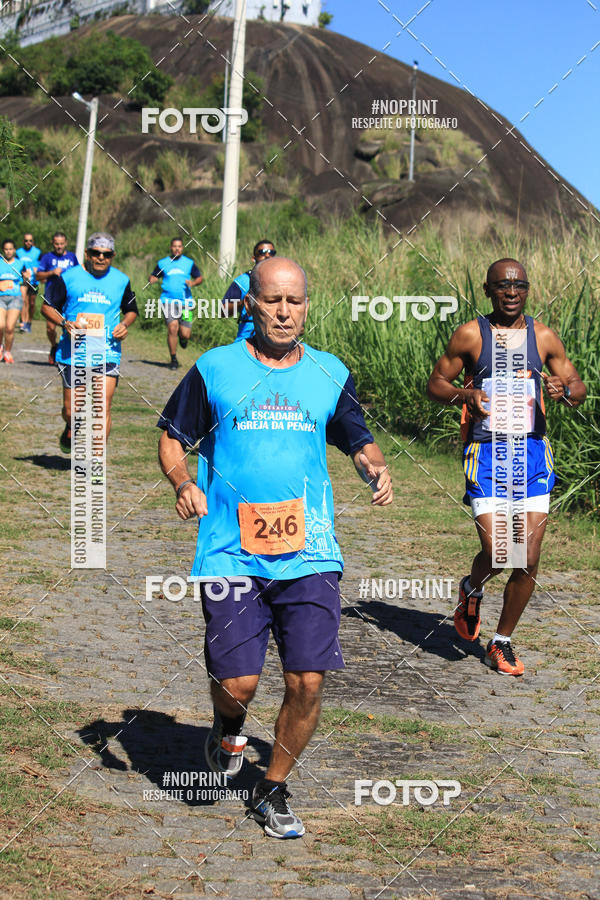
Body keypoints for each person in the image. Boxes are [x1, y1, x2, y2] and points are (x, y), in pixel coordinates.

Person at [158, 256, 392, 838]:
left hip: (310, 549)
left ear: (307, 305)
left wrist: (374, 469)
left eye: (295, 301)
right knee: (238, 683)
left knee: (307, 679)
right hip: (231, 550)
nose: (284, 312)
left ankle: (273, 788)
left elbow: (358, 439)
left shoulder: (329, 372)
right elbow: (171, 436)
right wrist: (184, 482)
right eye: (273, 301)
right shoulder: (214, 369)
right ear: (250, 305)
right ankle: (225, 723)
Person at [427, 258, 586, 676]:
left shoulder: (543, 336)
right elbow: (435, 384)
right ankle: (471, 588)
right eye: (502, 286)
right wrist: (466, 395)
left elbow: (577, 386)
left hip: (532, 453)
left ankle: (501, 642)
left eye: (518, 286)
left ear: (528, 289)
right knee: (499, 551)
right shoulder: (470, 334)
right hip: (489, 454)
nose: (511, 293)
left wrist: (563, 389)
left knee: (528, 557)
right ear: (487, 290)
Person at [41, 232, 138, 452]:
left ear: (112, 255)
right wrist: (65, 322)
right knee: (71, 411)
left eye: (106, 254)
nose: (101, 257)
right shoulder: (68, 277)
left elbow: (131, 310)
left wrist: (124, 325)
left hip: (107, 351)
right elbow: (46, 307)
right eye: (96, 253)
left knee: (102, 406)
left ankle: (95, 460)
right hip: (73, 352)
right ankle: (70, 425)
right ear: (87, 253)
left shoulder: (122, 280)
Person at [149, 237, 203, 370]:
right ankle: (173, 359)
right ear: (171, 248)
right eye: (174, 246)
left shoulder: (189, 263)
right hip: (167, 301)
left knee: (185, 333)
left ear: (182, 248)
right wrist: (152, 279)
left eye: (179, 246)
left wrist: (193, 282)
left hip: (186, 303)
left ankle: (183, 339)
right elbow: (154, 275)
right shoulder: (162, 263)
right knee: (172, 327)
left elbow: (199, 278)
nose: (177, 249)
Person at [36, 232, 79, 365]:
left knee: (70, 325)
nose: (59, 246)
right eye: (56, 244)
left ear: (65, 243)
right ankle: (54, 346)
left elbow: (79, 273)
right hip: (52, 296)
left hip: (69, 297)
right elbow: (38, 276)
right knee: (50, 327)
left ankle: (69, 356)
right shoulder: (47, 257)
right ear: (53, 243)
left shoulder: (72, 257)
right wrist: (51, 273)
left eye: (61, 244)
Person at [222, 239, 276, 341]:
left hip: (274, 341)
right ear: (253, 258)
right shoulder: (243, 281)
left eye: (271, 252)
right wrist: (245, 302)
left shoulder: (283, 280)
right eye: (262, 252)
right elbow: (223, 312)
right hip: (246, 339)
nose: (268, 255)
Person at [0, 239, 27, 364]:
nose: (8, 251)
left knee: (10, 327)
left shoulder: (20, 264)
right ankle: (0, 347)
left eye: (11, 249)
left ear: (14, 250)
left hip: (15, 298)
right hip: (1, 297)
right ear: (3, 250)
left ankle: (8, 351)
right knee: (1, 326)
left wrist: (26, 279)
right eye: (6, 249)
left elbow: (25, 282)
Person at [17, 232, 41, 333]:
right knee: (23, 301)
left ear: (33, 242)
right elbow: (16, 264)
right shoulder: (18, 252)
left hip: (34, 281)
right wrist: (22, 273)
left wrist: (37, 271)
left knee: (31, 303)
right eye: (26, 240)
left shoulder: (38, 252)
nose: (28, 242)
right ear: (23, 241)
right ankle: (23, 323)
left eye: (30, 241)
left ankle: (29, 322)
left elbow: (41, 266)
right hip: (23, 280)